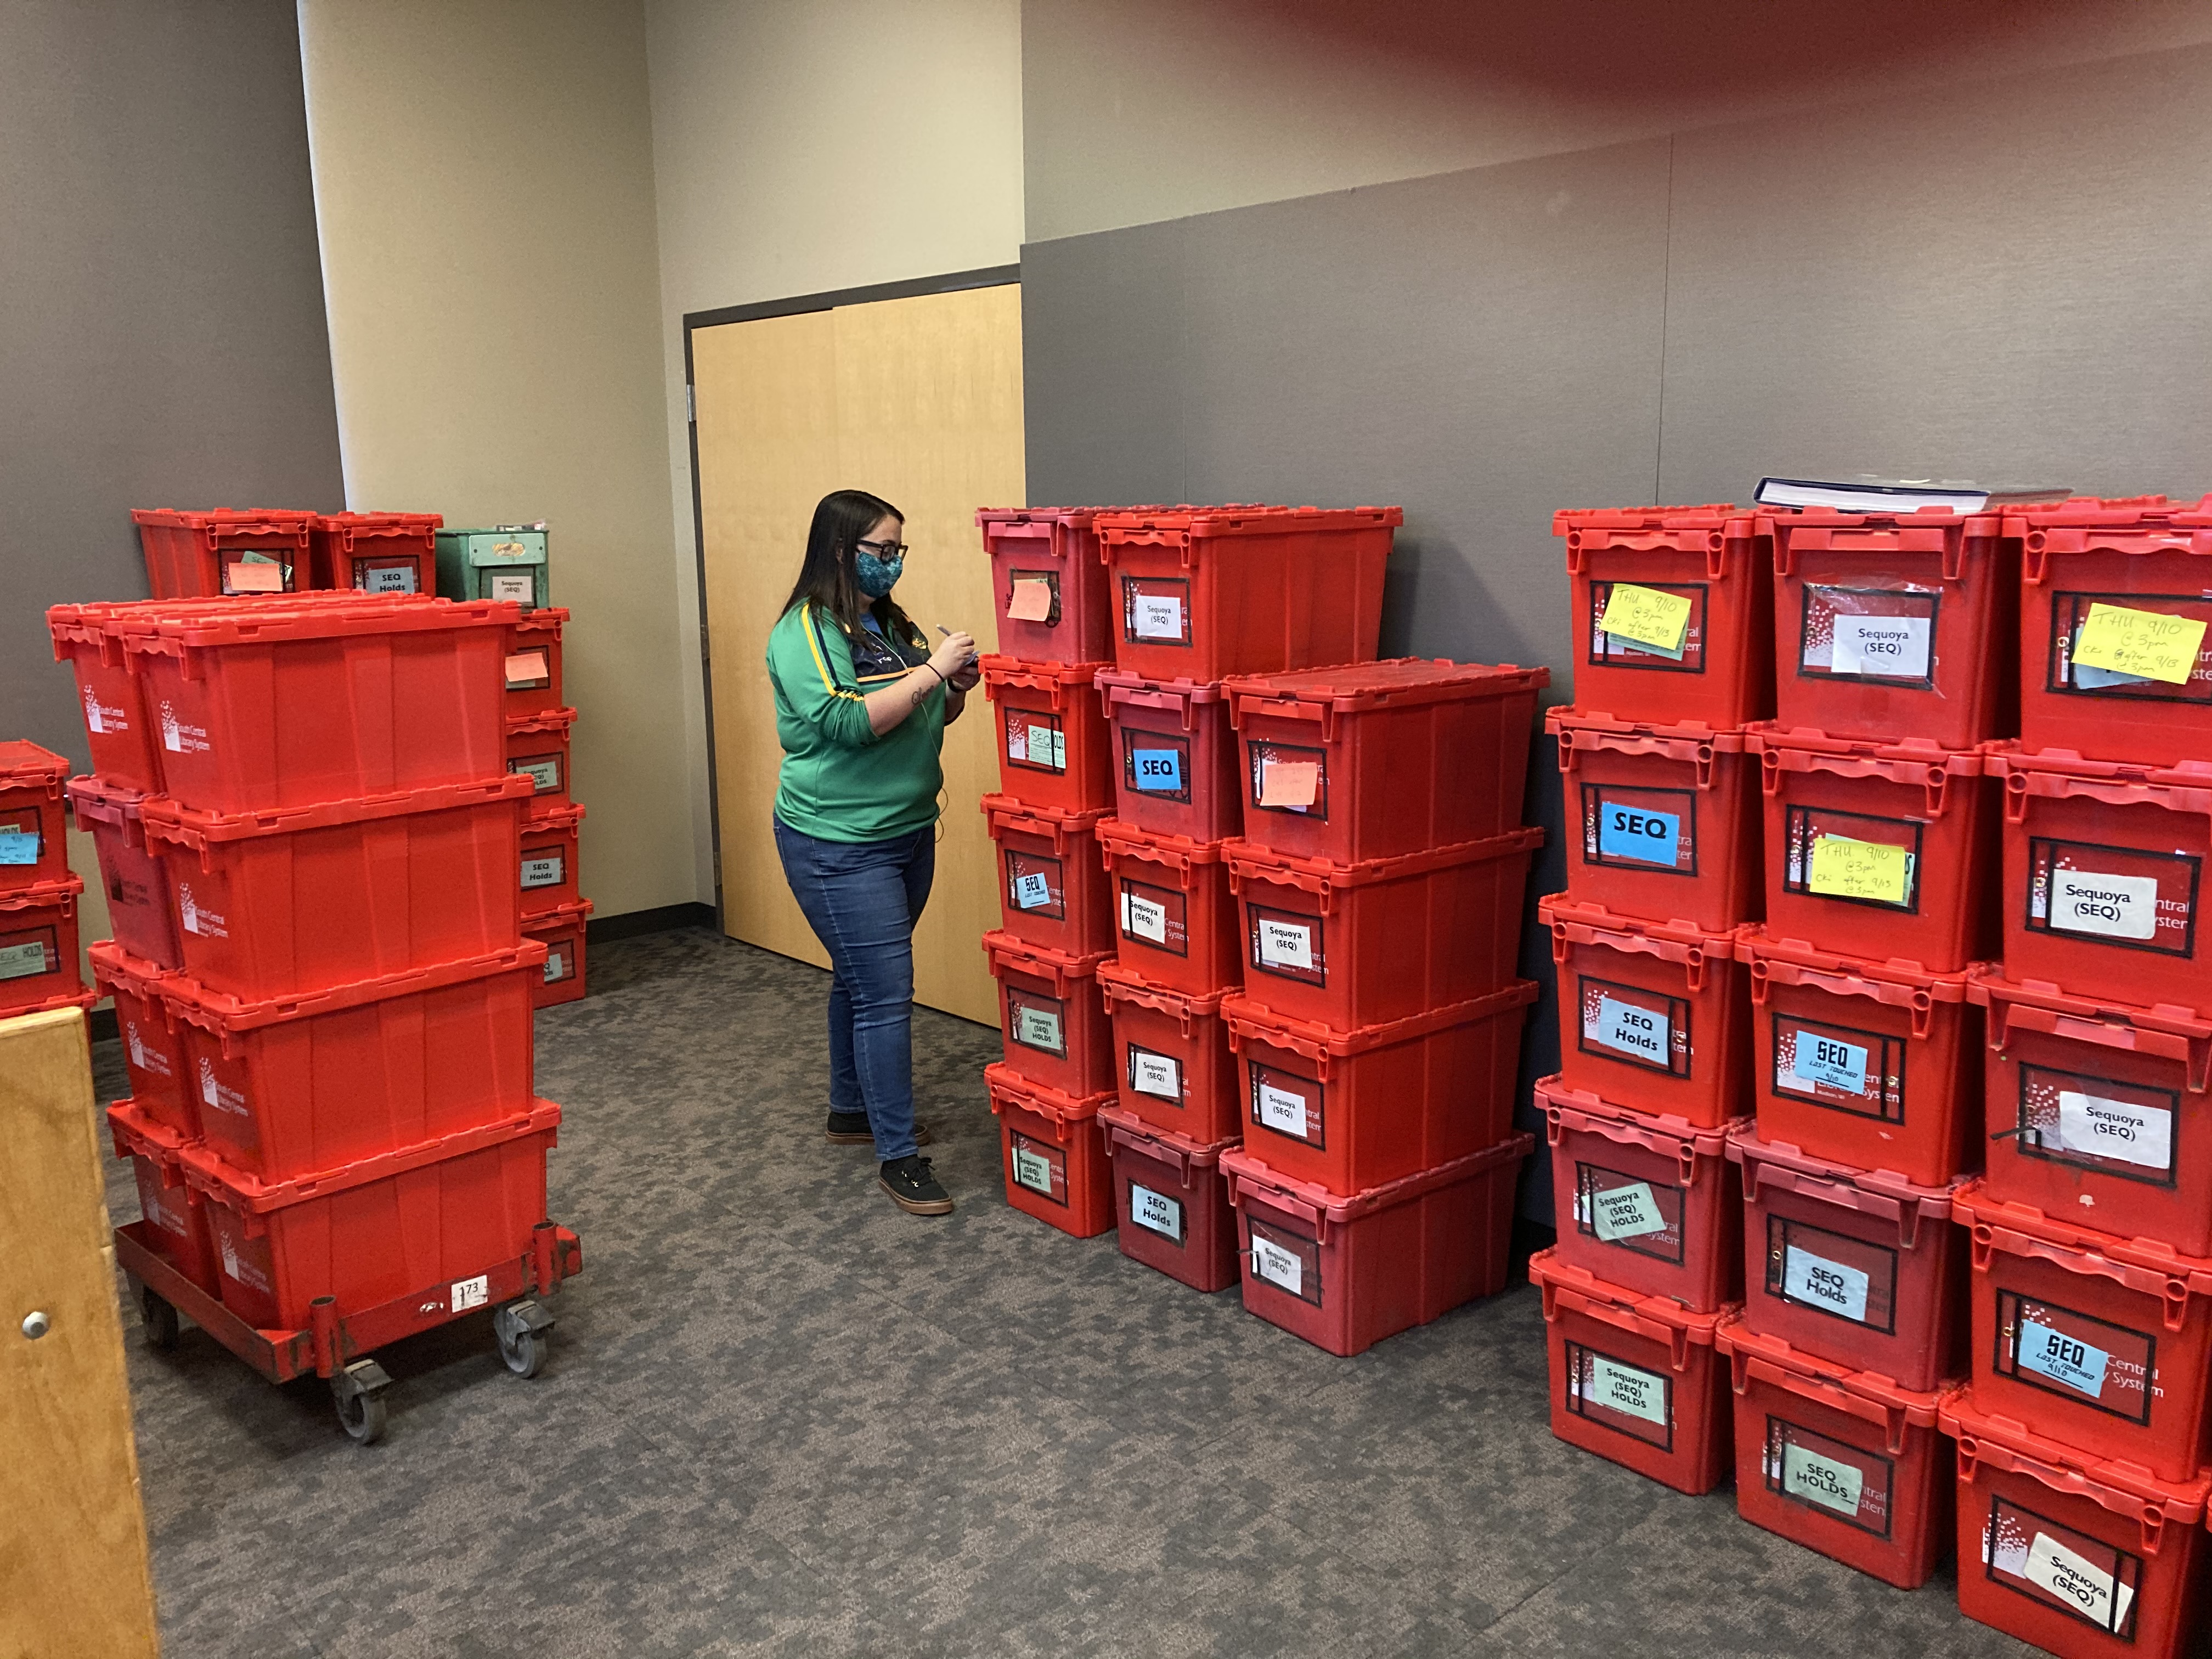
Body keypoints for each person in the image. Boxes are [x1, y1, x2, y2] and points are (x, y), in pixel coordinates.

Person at [766, 489, 980, 1216]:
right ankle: (899, 1158)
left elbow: (927, 713)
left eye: (898, 551)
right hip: (837, 843)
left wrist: (952, 688)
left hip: (905, 829)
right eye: (881, 551)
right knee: (885, 995)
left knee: (859, 980)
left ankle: (850, 1110)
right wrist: (930, 672)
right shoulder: (803, 631)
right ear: (839, 550)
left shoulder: (889, 622)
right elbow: (848, 723)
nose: (893, 563)